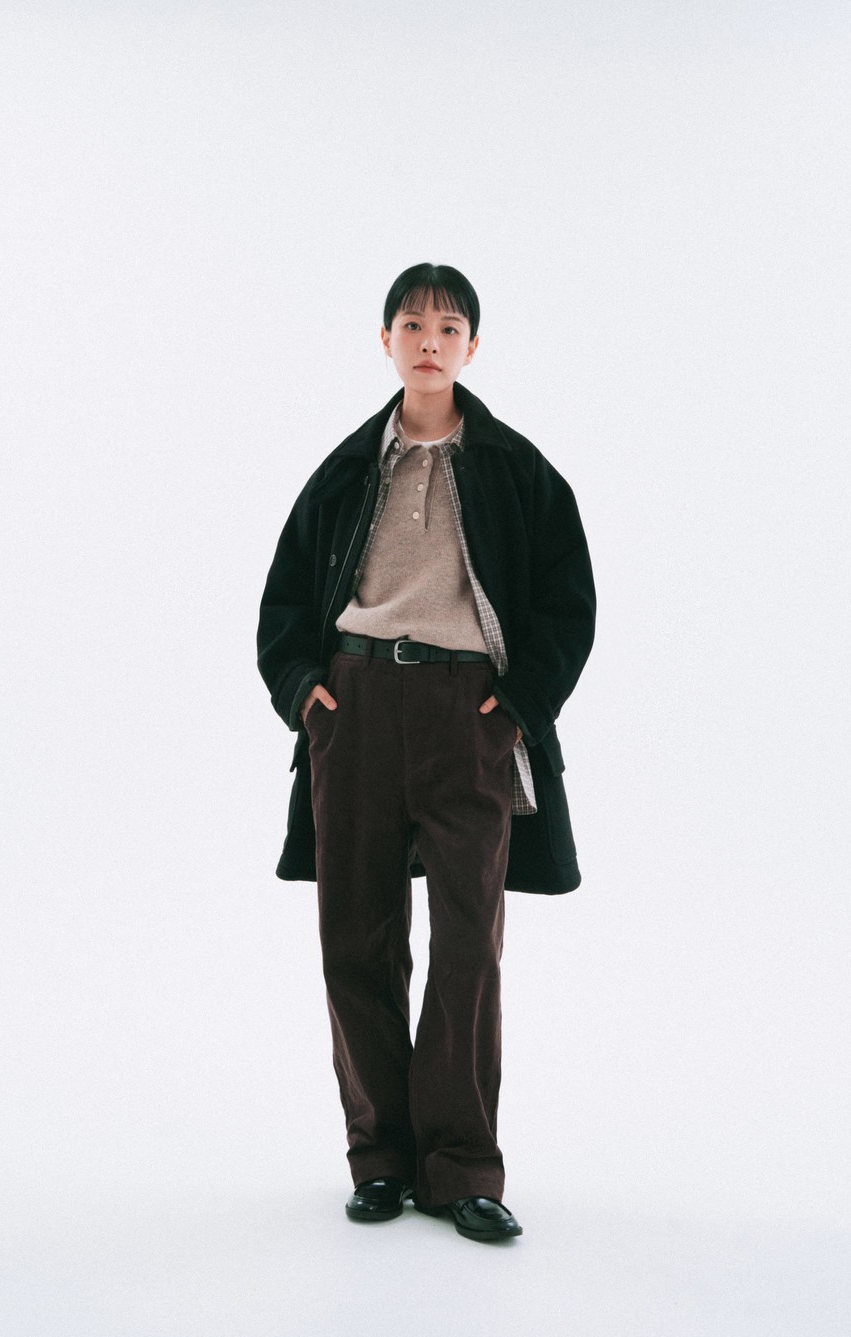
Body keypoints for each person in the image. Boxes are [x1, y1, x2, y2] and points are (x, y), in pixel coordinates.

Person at [257, 263, 595, 1242]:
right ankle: (379, 1159)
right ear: (386, 341)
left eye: (449, 327)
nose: (430, 342)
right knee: (355, 937)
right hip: (355, 708)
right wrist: (305, 693)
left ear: (472, 347)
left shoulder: (517, 470)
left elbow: (569, 604)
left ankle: (461, 1168)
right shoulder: (345, 469)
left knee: (467, 944)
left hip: (468, 715)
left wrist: (515, 709)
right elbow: (283, 600)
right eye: (412, 325)